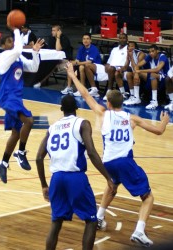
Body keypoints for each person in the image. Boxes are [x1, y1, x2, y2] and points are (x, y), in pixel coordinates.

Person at [67, 62, 170, 247]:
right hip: (124, 161)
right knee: (148, 197)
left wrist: (73, 76)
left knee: (112, 186)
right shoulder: (132, 119)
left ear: (107, 103)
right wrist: (164, 120)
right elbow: (159, 131)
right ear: (123, 103)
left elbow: (84, 94)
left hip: (107, 163)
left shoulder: (102, 113)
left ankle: (98, 217)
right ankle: (139, 231)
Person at [36, 94, 115, 250]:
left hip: (56, 178)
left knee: (56, 222)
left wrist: (44, 185)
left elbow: (38, 158)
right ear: (77, 108)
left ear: (61, 109)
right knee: (91, 220)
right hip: (75, 177)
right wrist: (108, 177)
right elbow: (91, 152)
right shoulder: (82, 124)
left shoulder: (52, 128)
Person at [0, 23, 45, 184]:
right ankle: (21, 152)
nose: (12, 44)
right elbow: (17, 49)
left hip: (16, 98)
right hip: (8, 97)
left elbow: (34, 67)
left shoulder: (18, 57)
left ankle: (3, 162)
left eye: (12, 41)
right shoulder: (4, 57)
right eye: (8, 42)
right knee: (29, 121)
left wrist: (35, 52)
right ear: (3, 46)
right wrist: (16, 30)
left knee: (16, 132)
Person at [33, 24, 72, 88]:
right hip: (54, 59)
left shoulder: (64, 38)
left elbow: (58, 49)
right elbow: (50, 50)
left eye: (54, 30)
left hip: (65, 60)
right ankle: (35, 80)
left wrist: (58, 37)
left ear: (59, 31)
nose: (52, 32)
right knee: (43, 62)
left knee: (53, 64)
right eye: (52, 30)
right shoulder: (51, 38)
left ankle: (40, 82)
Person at [135, 44, 170, 110]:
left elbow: (157, 69)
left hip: (164, 77)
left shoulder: (162, 57)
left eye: (153, 51)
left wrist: (139, 71)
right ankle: (136, 97)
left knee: (152, 74)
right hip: (153, 76)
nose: (151, 53)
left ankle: (154, 101)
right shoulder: (149, 56)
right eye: (150, 52)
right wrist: (137, 73)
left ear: (157, 51)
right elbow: (138, 65)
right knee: (138, 74)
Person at [103, 33, 128, 100]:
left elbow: (127, 64)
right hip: (112, 68)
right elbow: (109, 62)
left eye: (123, 38)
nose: (122, 39)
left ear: (126, 39)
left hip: (122, 69)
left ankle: (109, 90)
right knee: (110, 68)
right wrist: (107, 66)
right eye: (120, 38)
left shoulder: (128, 50)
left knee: (111, 69)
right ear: (118, 39)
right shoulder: (114, 49)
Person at [121, 41, 146, 106]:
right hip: (136, 72)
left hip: (144, 72)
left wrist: (131, 57)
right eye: (129, 46)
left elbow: (136, 67)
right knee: (128, 74)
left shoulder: (140, 54)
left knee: (135, 73)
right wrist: (121, 70)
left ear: (135, 47)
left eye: (132, 46)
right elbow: (126, 65)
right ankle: (132, 96)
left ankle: (137, 98)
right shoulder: (129, 53)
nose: (130, 48)